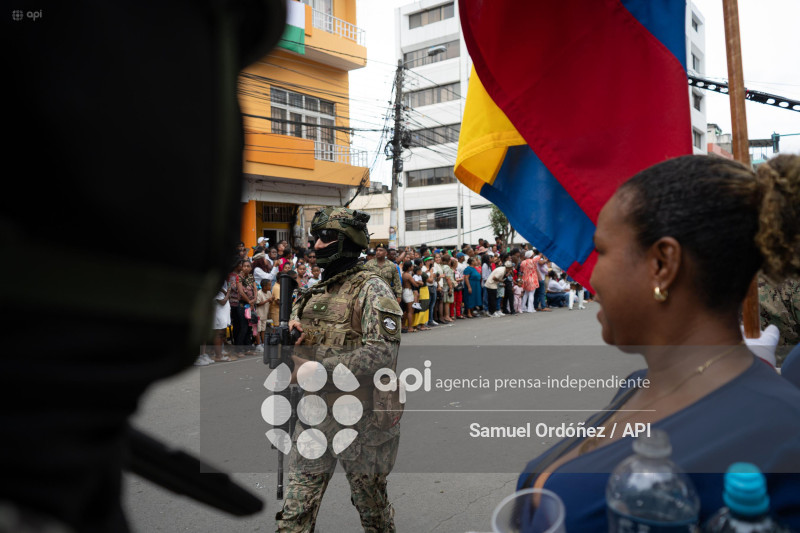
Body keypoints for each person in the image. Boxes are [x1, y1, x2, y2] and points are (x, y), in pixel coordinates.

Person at [516, 154, 800, 531]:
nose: (590, 277)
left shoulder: (782, 435)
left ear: (662, 264)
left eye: (601, 251)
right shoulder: (639, 383)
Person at [278, 207, 402, 532]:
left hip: (362, 418)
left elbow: (382, 353)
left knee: (371, 509)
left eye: (326, 238)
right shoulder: (312, 292)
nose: (317, 245)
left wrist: (319, 369)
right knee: (294, 515)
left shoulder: (373, 289)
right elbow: (296, 344)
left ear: (348, 242)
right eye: (316, 237)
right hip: (314, 414)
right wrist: (290, 335)